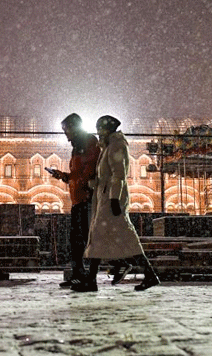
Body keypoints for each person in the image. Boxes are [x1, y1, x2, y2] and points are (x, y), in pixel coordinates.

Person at [72, 115, 160, 292]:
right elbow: (105, 176)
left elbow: (118, 175)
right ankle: (148, 274)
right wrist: (93, 185)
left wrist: (114, 199)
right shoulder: (108, 147)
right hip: (105, 196)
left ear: (107, 129)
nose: (97, 132)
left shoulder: (116, 146)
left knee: (109, 234)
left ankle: (92, 280)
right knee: (105, 235)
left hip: (111, 199)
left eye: (100, 129)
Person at [49, 113, 100, 288]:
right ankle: (77, 274)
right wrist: (64, 176)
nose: (65, 134)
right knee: (76, 241)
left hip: (87, 198)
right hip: (78, 199)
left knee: (89, 239)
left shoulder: (89, 142)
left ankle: (90, 279)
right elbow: (78, 174)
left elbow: (90, 170)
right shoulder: (77, 147)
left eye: (67, 130)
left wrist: (80, 183)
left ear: (75, 127)